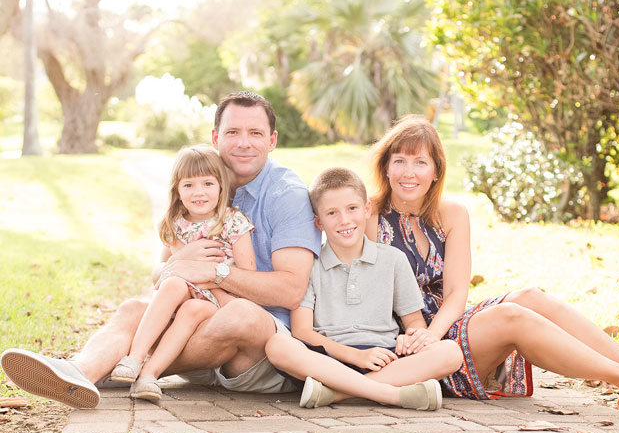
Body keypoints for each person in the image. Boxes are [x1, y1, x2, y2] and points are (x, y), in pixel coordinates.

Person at [1, 92, 321, 408]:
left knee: (239, 315)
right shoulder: (200, 182)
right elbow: (161, 273)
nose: (243, 143)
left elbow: (292, 291)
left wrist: (215, 272)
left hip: (261, 353)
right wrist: (180, 262)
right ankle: (80, 371)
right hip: (203, 340)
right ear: (215, 137)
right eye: (233, 132)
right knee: (134, 307)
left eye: (255, 133)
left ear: (272, 140)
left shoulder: (286, 195)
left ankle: (121, 367)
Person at [366, 114, 619, 407]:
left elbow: (455, 295)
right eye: (400, 161)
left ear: (436, 171)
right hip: (409, 347)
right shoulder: (369, 214)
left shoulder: (451, 214)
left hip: (443, 327)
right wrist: (422, 338)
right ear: (386, 167)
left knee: (529, 297)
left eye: (420, 162)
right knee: (512, 316)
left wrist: (434, 332)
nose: (409, 173)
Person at [265, 167, 463, 410]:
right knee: (277, 345)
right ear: (318, 222)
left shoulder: (394, 259)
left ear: (367, 209)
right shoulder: (311, 265)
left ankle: (337, 394)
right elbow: (303, 332)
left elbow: (415, 323)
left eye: (352, 209)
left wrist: (409, 339)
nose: (344, 220)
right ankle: (389, 394)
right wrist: (355, 355)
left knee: (451, 352)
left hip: (385, 357)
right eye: (332, 213)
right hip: (327, 359)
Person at [109, 144, 256, 404]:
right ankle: (135, 360)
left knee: (191, 308)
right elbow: (160, 274)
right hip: (177, 298)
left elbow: (248, 275)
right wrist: (180, 260)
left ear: (221, 186)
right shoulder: (175, 224)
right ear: (177, 190)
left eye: (208, 183)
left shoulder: (233, 222)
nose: (199, 192)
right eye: (188, 185)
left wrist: (207, 274)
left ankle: (149, 373)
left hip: (216, 302)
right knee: (175, 284)